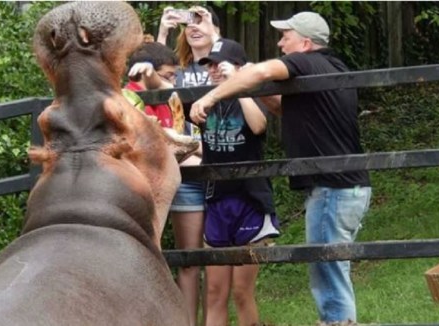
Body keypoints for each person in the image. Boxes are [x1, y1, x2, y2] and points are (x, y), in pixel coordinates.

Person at [190, 12, 372, 326]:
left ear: (304, 42)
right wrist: (244, 83)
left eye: (285, 37)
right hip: (344, 186)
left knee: (327, 269)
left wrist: (212, 95)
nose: (279, 42)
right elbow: (284, 109)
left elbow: (262, 71)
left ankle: (336, 323)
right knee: (330, 267)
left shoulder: (306, 62)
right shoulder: (331, 66)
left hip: (333, 187)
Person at [130, 7, 220, 326]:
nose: (194, 27)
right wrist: (163, 32)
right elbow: (150, 77)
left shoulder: (217, 65)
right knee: (183, 259)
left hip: (215, 173)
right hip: (175, 178)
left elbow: (159, 74)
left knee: (218, 259)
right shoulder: (152, 89)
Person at [191, 38, 280, 326]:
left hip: (250, 199)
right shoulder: (203, 101)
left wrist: (239, 83)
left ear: (238, 65)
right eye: (210, 65)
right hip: (217, 200)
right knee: (215, 291)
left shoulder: (253, 97)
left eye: (219, 64)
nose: (214, 70)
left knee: (242, 292)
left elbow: (258, 126)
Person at [124, 42, 178, 128]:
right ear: (144, 73)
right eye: (167, 76)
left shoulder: (162, 97)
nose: (174, 82)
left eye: (174, 76)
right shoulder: (129, 101)